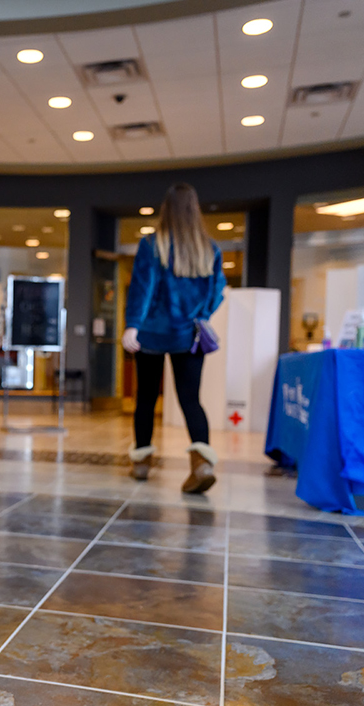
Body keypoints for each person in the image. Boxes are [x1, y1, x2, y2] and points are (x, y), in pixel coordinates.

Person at [122, 183, 225, 490]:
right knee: (191, 400)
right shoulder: (209, 249)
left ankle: (141, 464)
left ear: (166, 209)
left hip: (152, 334)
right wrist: (201, 315)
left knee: (146, 398)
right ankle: (202, 465)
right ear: (195, 210)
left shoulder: (152, 245)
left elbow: (143, 287)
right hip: (189, 335)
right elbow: (217, 291)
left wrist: (133, 324)